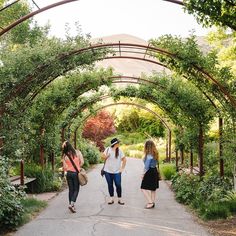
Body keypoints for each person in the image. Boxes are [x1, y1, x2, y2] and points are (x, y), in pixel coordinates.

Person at [102, 138, 127, 205]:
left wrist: (122, 169)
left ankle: (119, 199)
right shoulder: (107, 149)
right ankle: (111, 199)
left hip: (117, 172)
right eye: (118, 143)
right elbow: (102, 157)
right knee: (110, 185)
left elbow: (124, 160)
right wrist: (107, 156)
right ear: (115, 144)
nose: (119, 144)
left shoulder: (120, 151)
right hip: (107, 171)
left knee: (118, 185)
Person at [62, 140, 84, 213]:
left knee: (71, 189)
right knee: (76, 189)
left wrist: (69, 167)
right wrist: (78, 166)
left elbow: (64, 167)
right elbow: (82, 162)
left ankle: (70, 204)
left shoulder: (65, 155)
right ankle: (71, 204)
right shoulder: (77, 152)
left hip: (68, 173)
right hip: (75, 173)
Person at [141, 140, 159, 209]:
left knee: (143, 188)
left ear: (146, 146)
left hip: (149, 172)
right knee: (153, 189)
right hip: (155, 171)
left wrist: (143, 174)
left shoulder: (149, 155)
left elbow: (146, 166)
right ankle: (152, 202)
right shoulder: (155, 154)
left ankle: (150, 202)